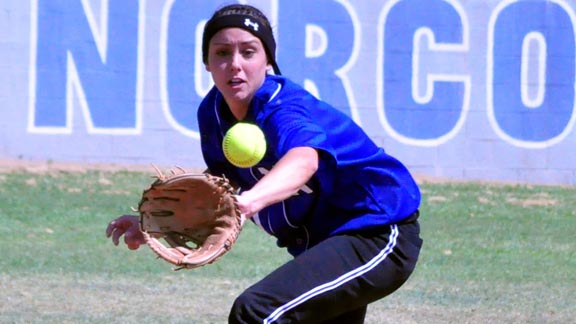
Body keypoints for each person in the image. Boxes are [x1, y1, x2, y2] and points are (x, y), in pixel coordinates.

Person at [106, 3, 423, 323]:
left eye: (248, 52)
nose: (235, 64)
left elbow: (304, 160)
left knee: (257, 311)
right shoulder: (212, 114)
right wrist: (155, 224)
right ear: (206, 62)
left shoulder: (283, 106)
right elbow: (218, 189)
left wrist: (247, 203)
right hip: (324, 247)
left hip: (377, 232)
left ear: (268, 60)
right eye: (222, 53)